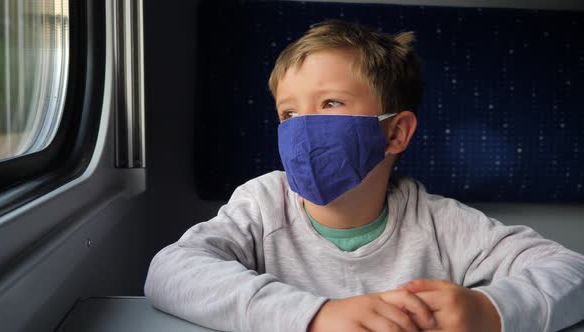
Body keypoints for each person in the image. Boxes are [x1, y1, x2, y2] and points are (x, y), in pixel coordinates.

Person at [144, 20, 584, 332]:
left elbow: (572, 272)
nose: (301, 127)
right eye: (289, 112)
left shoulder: (441, 225)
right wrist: (316, 316)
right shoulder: (261, 204)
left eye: (330, 103)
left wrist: (489, 310)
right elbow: (169, 273)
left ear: (395, 132)